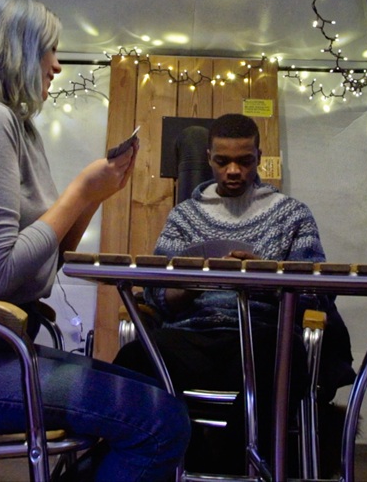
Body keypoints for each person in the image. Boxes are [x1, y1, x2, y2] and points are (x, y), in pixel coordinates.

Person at [0, 0, 189, 482]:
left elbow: (40, 273)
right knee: (158, 422)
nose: (56, 66)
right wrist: (79, 190)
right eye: (50, 50)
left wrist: (96, 195)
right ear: (15, 49)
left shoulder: (19, 128)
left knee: (154, 399)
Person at [113, 113, 354, 474]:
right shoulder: (185, 216)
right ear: (209, 157)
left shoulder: (292, 215)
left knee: (288, 362)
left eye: (245, 161)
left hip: (264, 336)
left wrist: (265, 279)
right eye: (222, 161)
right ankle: (162, 465)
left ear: (259, 156)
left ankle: (235, 466)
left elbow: (315, 295)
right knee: (135, 359)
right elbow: (155, 293)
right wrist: (193, 285)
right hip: (194, 336)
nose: (233, 171)